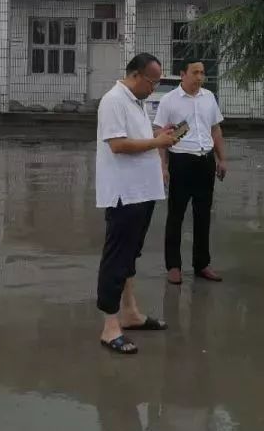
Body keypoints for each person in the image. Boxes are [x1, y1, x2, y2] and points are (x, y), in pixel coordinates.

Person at [96, 53, 179, 355]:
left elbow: (137, 139)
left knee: (131, 256)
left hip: (142, 191)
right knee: (116, 258)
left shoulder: (135, 102)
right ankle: (110, 325)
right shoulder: (114, 101)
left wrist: (157, 136)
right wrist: (158, 143)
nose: (153, 88)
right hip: (124, 193)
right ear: (136, 75)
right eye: (152, 82)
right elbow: (118, 145)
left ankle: (130, 313)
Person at [154, 59, 227, 285]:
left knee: (203, 215)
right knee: (176, 214)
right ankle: (174, 266)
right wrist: (163, 166)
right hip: (180, 160)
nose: (199, 77)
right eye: (195, 72)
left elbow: (215, 128)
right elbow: (160, 132)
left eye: (202, 73)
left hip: (204, 160)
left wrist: (221, 159)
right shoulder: (169, 100)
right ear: (182, 74)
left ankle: (202, 264)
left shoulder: (209, 98)